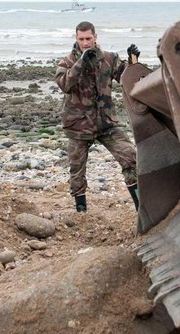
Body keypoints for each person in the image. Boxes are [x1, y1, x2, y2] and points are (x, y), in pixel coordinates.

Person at [55, 21, 141, 212]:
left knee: (131, 158)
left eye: (88, 39)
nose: (85, 43)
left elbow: (129, 81)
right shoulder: (66, 62)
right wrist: (81, 62)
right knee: (77, 171)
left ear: (95, 37)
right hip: (78, 125)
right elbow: (65, 84)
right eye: (81, 39)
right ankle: (81, 211)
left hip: (105, 123)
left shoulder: (109, 59)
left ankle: (141, 207)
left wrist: (133, 61)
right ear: (76, 39)